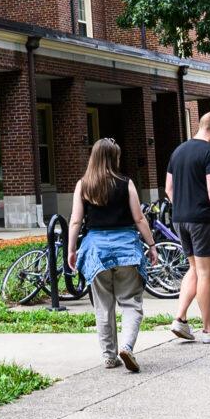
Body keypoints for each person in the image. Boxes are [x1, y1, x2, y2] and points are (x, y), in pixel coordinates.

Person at [66, 137, 148, 371]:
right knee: (131, 302)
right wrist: (151, 245)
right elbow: (139, 218)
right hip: (127, 251)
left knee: (103, 305)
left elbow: (75, 221)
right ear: (115, 158)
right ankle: (128, 347)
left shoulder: (83, 185)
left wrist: (71, 250)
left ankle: (109, 357)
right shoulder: (126, 183)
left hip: (96, 253)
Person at [163, 112, 210, 342]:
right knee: (205, 273)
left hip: (180, 218)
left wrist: (183, 207)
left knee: (194, 269)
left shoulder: (179, 151)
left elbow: (169, 188)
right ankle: (209, 330)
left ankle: (180, 320)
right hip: (202, 220)